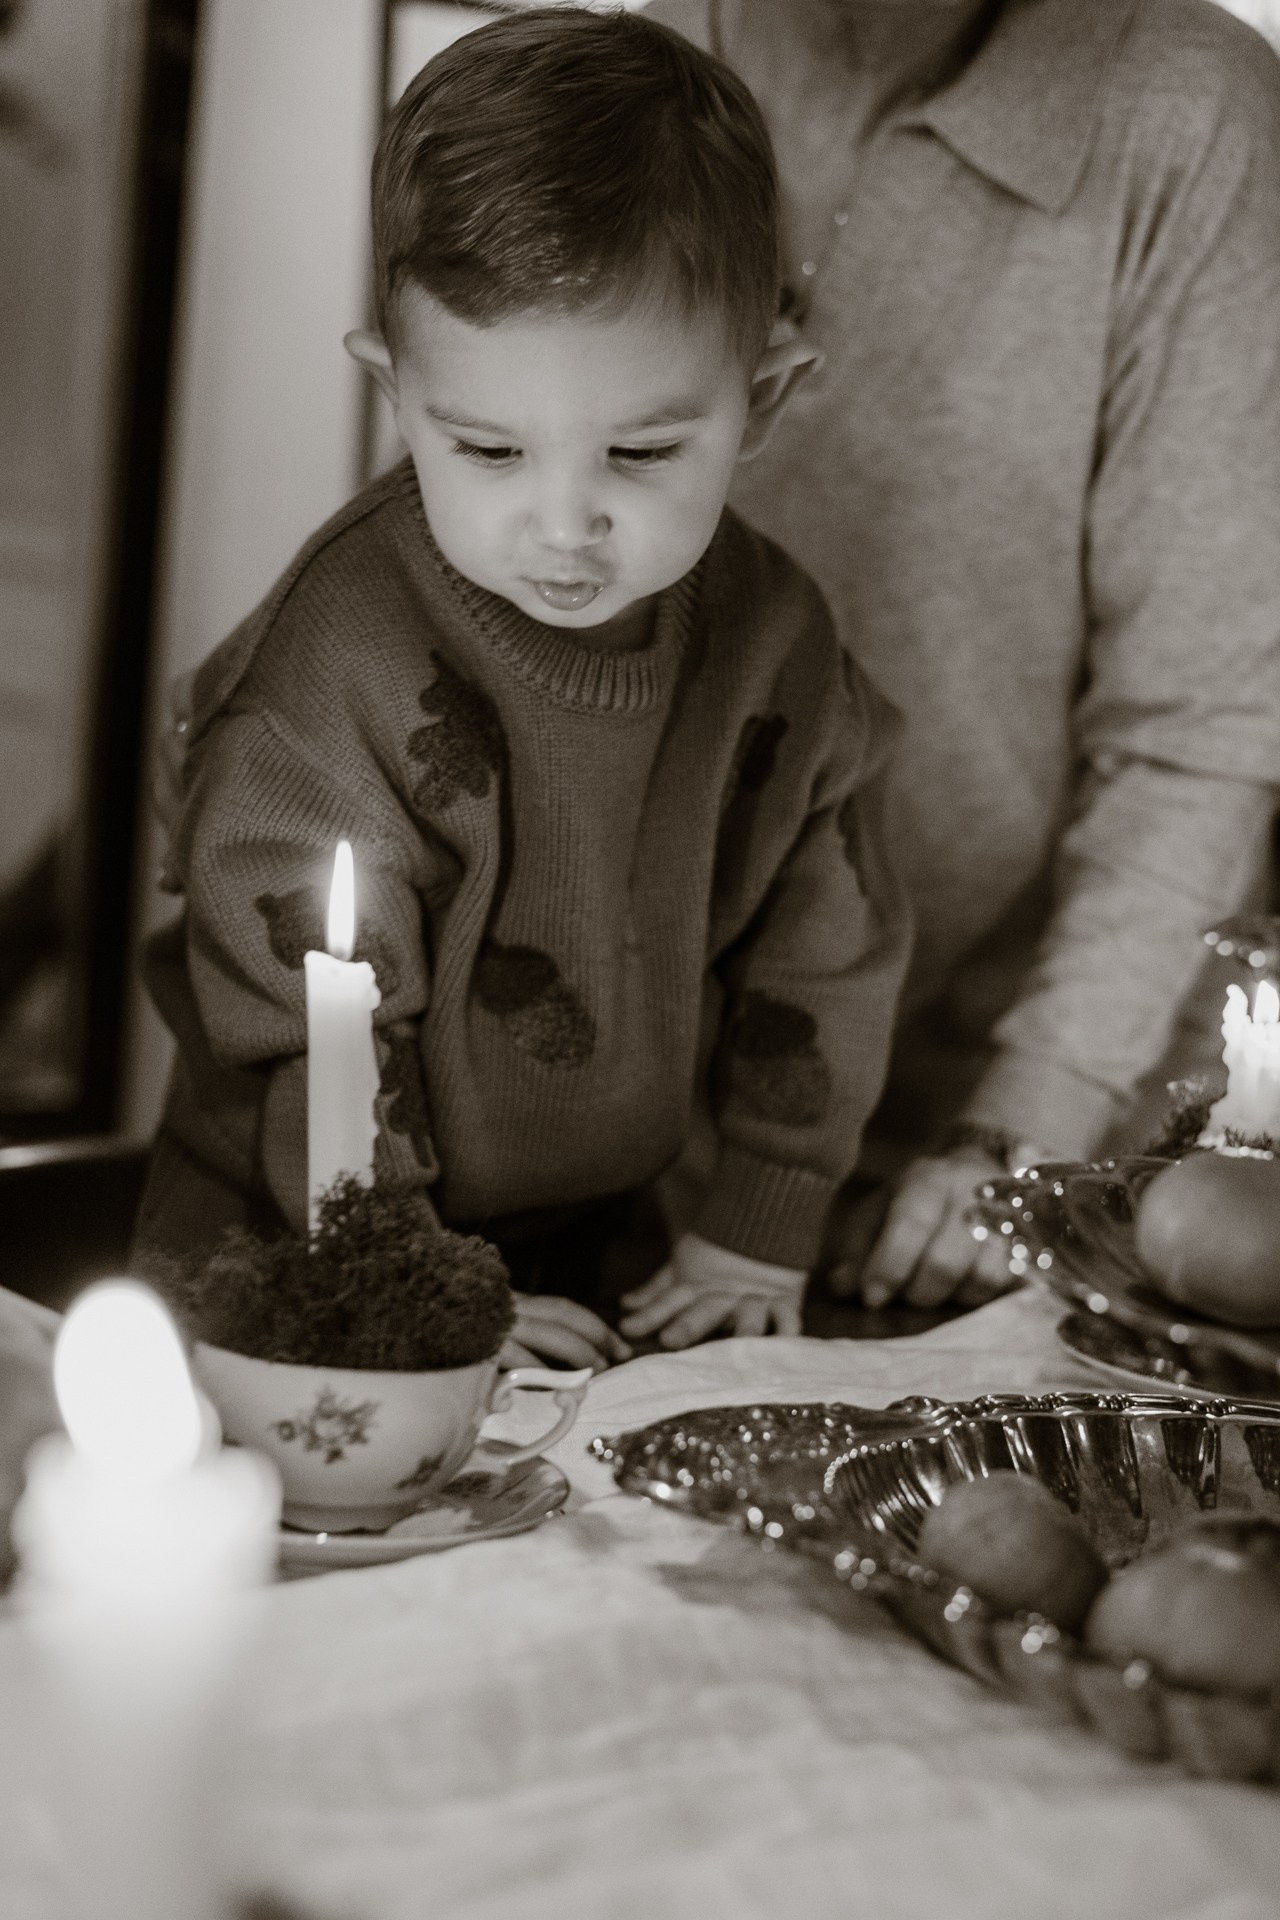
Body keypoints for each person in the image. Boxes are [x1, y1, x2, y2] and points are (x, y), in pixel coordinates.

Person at [134, 8, 911, 1372]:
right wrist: (408, 1278)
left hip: (602, 1249)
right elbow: (304, 1026)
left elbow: (826, 944)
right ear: (395, 391)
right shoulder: (334, 672)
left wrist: (761, 1217)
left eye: (644, 450)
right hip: (298, 1250)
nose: (565, 526)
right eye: (487, 448)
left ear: (767, 401)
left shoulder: (777, 641)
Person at [648, 0, 1280, 1311]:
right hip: (634, 1132)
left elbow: (1202, 729)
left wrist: (1021, 1130)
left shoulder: (1186, 108)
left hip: (989, 1154)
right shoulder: (666, 51)